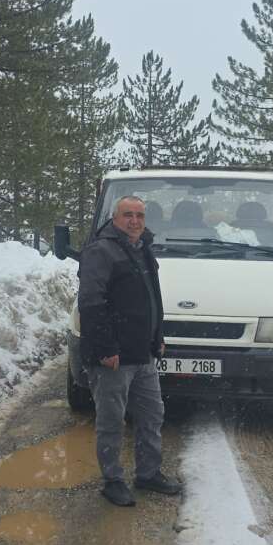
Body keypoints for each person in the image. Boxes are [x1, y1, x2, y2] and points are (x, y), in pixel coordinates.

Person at [77, 195, 184, 506]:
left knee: (152, 415)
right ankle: (112, 480)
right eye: (128, 215)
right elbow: (91, 303)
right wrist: (106, 349)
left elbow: (153, 298)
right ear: (115, 218)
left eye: (139, 215)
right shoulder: (101, 251)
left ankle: (148, 474)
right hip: (113, 358)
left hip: (143, 354)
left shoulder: (143, 248)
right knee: (111, 421)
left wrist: (158, 336)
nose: (134, 221)